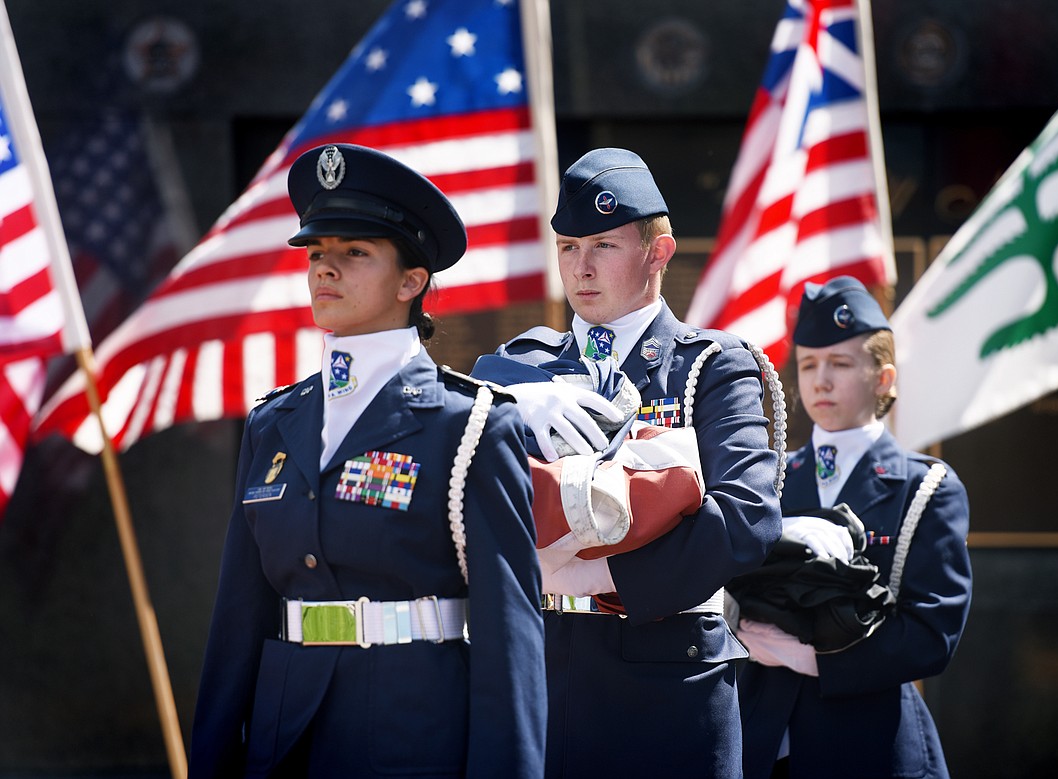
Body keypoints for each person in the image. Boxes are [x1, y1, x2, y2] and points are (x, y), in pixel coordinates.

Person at [189, 143, 546, 778]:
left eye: (354, 253)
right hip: (286, 731)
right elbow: (237, 617)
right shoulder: (274, 422)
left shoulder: (470, 424)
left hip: (416, 729)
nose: (326, 269)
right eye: (318, 254)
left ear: (412, 281)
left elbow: (509, 638)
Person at [473, 147, 784, 779]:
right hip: (535, 677)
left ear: (658, 251)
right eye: (568, 247)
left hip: (665, 684)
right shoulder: (515, 369)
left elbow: (747, 518)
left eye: (604, 246)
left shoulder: (711, 368)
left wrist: (600, 579)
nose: (581, 268)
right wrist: (507, 400)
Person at [733, 276, 973, 779]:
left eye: (840, 364)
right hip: (763, 742)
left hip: (868, 743)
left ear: (884, 379)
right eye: (808, 364)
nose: (820, 380)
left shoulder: (925, 486)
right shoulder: (768, 479)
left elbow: (932, 632)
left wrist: (813, 657)